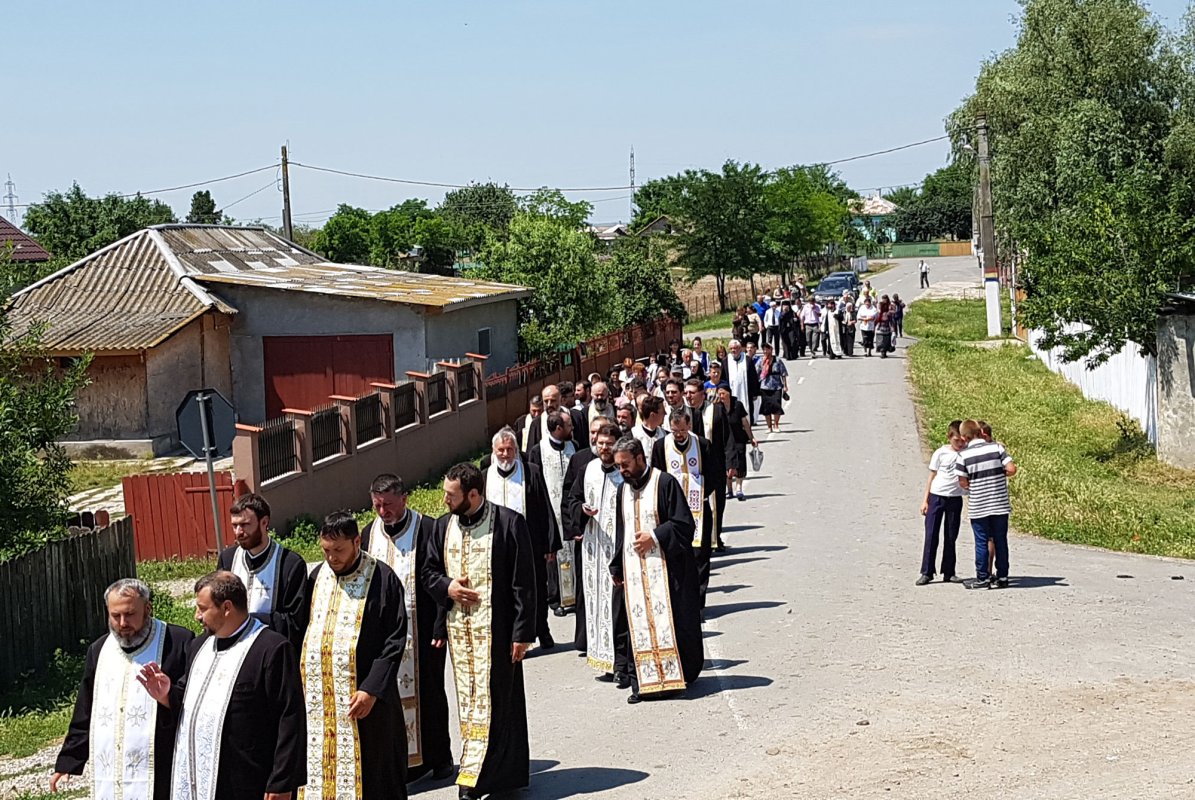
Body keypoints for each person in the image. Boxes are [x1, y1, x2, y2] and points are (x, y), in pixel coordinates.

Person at [137, 572, 306, 800]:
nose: (197, 616)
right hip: (199, 774)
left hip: (248, 778)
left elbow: (290, 718)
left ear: (226, 607)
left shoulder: (271, 649)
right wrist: (167, 695)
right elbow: (190, 702)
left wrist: (282, 782)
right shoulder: (199, 646)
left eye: (203, 608)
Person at [424, 463, 536, 800]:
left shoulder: (508, 523)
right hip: (461, 635)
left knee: (500, 703)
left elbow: (523, 584)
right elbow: (429, 572)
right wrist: (448, 588)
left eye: (451, 495)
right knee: (469, 703)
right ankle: (472, 771)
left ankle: (495, 776)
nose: (445, 500)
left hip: (498, 634)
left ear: (473, 494)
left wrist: (522, 633)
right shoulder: (443, 527)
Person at [53, 579, 194, 800]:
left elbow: (193, 700)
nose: (122, 623)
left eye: (129, 614)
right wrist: (70, 760)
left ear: (148, 609)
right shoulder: (99, 649)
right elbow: (86, 707)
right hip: (113, 768)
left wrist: (167, 696)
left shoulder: (177, 641)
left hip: (162, 762)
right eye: (115, 616)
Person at [302, 512, 411, 799]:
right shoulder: (317, 578)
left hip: (366, 700)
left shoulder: (383, 579)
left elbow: (394, 639)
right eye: (326, 550)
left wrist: (372, 689)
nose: (332, 558)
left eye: (338, 550)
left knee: (375, 773)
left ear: (357, 542)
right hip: (322, 705)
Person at [363, 475, 453, 781]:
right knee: (389, 700)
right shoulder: (368, 534)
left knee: (431, 694)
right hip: (385, 634)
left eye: (388, 504)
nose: (383, 511)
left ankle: (439, 758)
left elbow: (442, 578)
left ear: (404, 498)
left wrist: (441, 626)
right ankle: (401, 762)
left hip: (425, 628)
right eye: (377, 505)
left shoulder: (427, 528)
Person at [609, 438, 704, 704]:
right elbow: (623, 531)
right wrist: (616, 565)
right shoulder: (622, 491)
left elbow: (685, 525)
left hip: (667, 571)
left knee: (672, 622)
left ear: (640, 458)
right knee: (636, 624)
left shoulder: (664, 483)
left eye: (626, 465)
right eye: (618, 467)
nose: (622, 471)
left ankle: (676, 678)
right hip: (636, 571)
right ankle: (641, 682)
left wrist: (655, 536)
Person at [482, 427, 559, 650]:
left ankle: (541, 629)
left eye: (510, 450)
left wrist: (549, 543)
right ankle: (513, 635)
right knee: (505, 591)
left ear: (516, 450)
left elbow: (544, 506)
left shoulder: (530, 471)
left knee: (536, 588)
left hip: (529, 542)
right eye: (501, 450)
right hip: (497, 544)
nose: (505, 455)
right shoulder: (486, 476)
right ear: (493, 451)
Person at [216, 493, 308, 651]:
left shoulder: (290, 564)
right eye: (234, 525)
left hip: (271, 650)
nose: (238, 532)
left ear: (264, 522)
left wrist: (246, 621)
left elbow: (295, 622)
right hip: (232, 650)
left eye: (245, 525)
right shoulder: (228, 559)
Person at [571, 423, 625, 681]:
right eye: (601, 443)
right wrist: (581, 510)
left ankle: (622, 663)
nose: (604, 448)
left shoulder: (624, 473)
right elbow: (572, 499)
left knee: (616, 607)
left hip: (617, 548)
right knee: (595, 604)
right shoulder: (587, 469)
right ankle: (604, 660)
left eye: (609, 443)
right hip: (593, 549)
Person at [652, 410, 716, 608]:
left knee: (700, 556)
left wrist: (700, 490)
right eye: (674, 430)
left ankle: (698, 601)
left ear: (688, 426)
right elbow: (658, 474)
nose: (678, 434)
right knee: (676, 554)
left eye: (681, 430)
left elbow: (713, 473)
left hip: (698, 508)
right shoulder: (661, 446)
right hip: (673, 510)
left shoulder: (702, 445)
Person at [955, 419, 1019, 589]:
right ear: (981, 432)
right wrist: (997, 475)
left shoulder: (963, 456)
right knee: (1000, 540)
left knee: (982, 541)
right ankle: (1003, 576)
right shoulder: (997, 448)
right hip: (999, 502)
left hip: (979, 504)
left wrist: (975, 483)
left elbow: (962, 482)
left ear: (963, 437)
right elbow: (1012, 469)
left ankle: (983, 578)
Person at [528, 409, 578, 615]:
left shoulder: (573, 446)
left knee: (573, 551)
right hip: (549, 510)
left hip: (569, 510)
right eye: (568, 426)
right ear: (558, 429)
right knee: (553, 554)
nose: (572, 428)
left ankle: (574, 595)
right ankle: (555, 598)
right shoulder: (537, 451)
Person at [685, 378, 730, 553]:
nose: (689, 396)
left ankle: (715, 537)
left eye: (692, 393)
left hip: (714, 465)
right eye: (686, 393)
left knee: (716, 504)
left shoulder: (716, 411)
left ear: (702, 394)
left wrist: (731, 462)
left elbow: (727, 437)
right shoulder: (682, 414)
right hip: (691, 467)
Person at [917, 421, 966, 585]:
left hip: (955, 498)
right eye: (956, 440)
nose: (959, 444)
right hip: (937, 496)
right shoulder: (940, 453)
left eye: (962, 440)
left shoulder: (966, 453)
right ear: (949, 437)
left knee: (951, 535)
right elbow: (932, 476)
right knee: (931, 534)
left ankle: (949, 571)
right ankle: (927, 571)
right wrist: (925, 500)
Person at [716, 384, 756, 501]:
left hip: (739, 439)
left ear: (729, 393)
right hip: (724, 440)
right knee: (726, 465)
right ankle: (729, 490)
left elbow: (745, 423)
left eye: (723, 393)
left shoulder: (737, 405)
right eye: (719, 394)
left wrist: (751, 437)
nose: (721, 396)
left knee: (740, 464)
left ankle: (739, 488)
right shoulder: (718, 407)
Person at [722, 339, 760, 424]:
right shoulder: (725, 361)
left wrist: (755, 392)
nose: (733, 350)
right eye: (731, 348)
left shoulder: (747, 360)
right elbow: (723, 379)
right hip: (732, 393)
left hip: (746, 393)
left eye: (735, 348)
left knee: (747, 415)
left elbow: (753, 377)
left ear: (740, 349)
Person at [757, 342, 788, 433]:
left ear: (771, 350)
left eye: (767, 349)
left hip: (776, 386)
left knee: (776, 406)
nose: (766, 351)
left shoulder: (777, 360)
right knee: (766, 408)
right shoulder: (761, 361)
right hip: (764, 386)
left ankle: (776, 425)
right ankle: (769, 427)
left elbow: (783, 373)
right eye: (764, 349)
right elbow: (756, 372)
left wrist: (785, 386)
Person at [632, 394, 667, 466]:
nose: (665, 414)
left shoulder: (665, 435)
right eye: (662, 412)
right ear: (653, 415)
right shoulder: (633, 434)